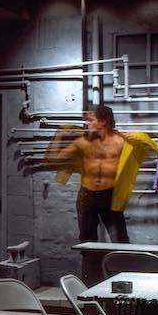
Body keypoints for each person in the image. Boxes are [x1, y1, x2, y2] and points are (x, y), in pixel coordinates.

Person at [48, 104, 131, 243]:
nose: (85, 123)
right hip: (86, 196)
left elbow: (146, 153)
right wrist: (60, 134)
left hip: (110, 196)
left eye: (90, 120)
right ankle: (92, 265)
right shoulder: (82, 142)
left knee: (120, 241)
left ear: (103, 121)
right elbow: (53, 159)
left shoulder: (121, 141)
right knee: (87, 242)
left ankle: (119, 265)